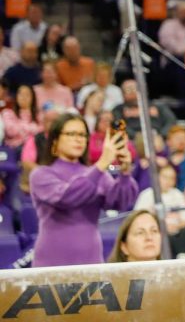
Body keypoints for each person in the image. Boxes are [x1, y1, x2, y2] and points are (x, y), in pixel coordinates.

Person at [29, 112, 137, 266]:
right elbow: (67, 198)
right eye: (71, 134)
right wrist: (102, 162)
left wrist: (125, 172)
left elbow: (120, 203)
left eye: (83, 135)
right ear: (55, 140)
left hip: (91, 260)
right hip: (51, 261)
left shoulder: (98, 173)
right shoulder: (41, 174)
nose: (79, 139)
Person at [134, 159, 185, 257]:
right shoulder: (147, 195)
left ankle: (183, 257)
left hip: (177, 231)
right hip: (157, 231)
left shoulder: (177, 194)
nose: (168, 181)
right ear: (157, 177)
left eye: (172, 178)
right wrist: (161, 227)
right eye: (165, 177)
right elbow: (138, 218)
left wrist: (177, 226)